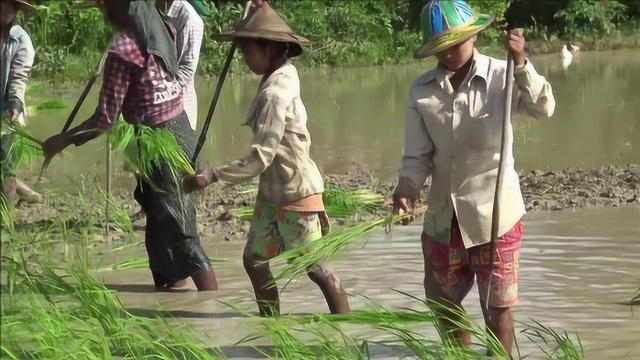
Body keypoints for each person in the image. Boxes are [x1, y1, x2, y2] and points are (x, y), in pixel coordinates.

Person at [391, 0, 555, 355]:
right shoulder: (422, 91)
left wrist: (523, 64)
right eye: (441, 47)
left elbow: (544, 107)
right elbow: (417, 156)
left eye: (456, 43)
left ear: (475, 35)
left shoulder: (504, 75)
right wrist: (406, 188)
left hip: (495, 215)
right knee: (441, 303)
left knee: (496, 311)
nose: (449, 53)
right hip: (443, 218)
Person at [183, 1, 350, 317]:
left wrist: (211, 175)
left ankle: (344, 327)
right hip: (272, 194)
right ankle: (271, 325)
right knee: (254, 260)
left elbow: (260, 158)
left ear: (269, 48)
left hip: (296, 193)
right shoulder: (284, 70)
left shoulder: (276, 93)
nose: (244, 58)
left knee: (314, 267)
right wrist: (251, 19)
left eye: (248, 51)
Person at [42, 0, 218, 292]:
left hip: (161, 143)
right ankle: (173, 299)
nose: (103, 14)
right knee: (163, 225)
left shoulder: (123, 51)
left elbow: (104, 119)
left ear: (117, 8)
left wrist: (63, 140)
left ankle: (211, 310)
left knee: (180, 232)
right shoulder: (160, 28)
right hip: (178, 132)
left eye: (104, 7)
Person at [126, 0, 207, 223]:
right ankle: (149, 208)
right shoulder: (149, 10)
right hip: (146, 99)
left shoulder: (189, 19)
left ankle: (182, 213)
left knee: (176, 163)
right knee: (142, 159)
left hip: (176, 100)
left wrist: (161, 91)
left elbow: (187, 69)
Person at [1, 0, 42, 205]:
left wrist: (15, 106)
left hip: (6, 112)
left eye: (8, 4)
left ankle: (6, 219)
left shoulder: (20, 40)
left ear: (16, 9)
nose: (3, 7)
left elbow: (19, 78)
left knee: (6, 166)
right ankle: (26, 192)